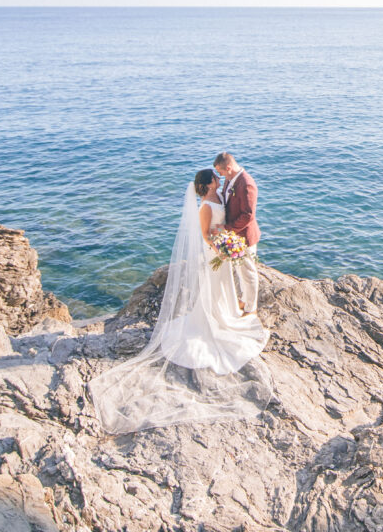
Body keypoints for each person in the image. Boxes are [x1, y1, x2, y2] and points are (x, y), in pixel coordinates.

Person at [88, 169, 271, 433]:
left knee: (225, 288)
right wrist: (221, 247)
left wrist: (229, 239)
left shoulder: (218, 196)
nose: (220, 182)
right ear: (208, 184)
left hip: (223, 248)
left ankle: (227, 314)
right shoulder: (206, 206)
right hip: (213, 254)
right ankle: (212, 321)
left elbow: (225, 221)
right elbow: (206, 235)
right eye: (216, 180)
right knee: (215, 288)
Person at [214, 152, 260, 314]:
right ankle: (245, 300)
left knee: (248, 273)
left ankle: (251, 308)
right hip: (235, 236)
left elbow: (248, 215)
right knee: (241, 272)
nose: (220, 176)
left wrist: (227, 229)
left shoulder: (246, 184)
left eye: (220, 172)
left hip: (245, 236)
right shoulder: (230, 180)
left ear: (228, 168)